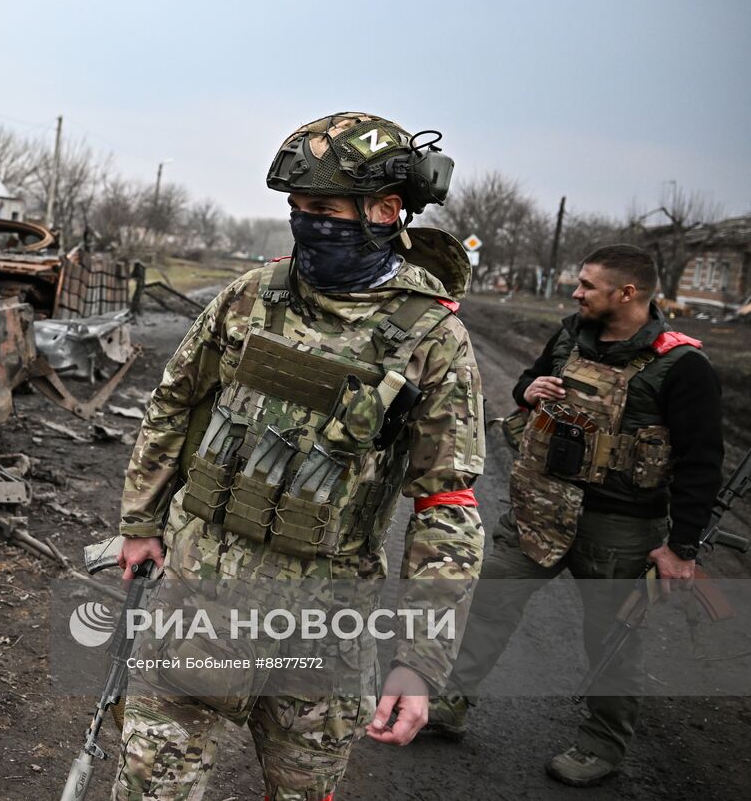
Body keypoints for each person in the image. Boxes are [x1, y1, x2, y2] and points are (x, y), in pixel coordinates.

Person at [112, 112, 487, 801]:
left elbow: (448, 508)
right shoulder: (251, 296)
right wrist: (141, 521)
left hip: (322, 626)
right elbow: (173, 402)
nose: (306, 222)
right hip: (200, 595)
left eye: (323, 208)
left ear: (385, 209)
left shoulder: (432, 336)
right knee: (147, 787)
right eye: (297, 208)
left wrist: (421, 661)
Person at [427, 243, 723, 787]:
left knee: (611, 641)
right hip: (538, 511)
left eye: (587, 285)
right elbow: (528, 384)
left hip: (621, 530)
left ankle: (601, 746)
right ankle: (448, 702)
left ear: (626, 293)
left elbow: (702, 462)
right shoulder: (569, 336)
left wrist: (681, 548)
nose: (576, 291)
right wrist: (528, 389)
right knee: (487, 607)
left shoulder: (681, 366)